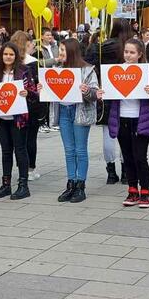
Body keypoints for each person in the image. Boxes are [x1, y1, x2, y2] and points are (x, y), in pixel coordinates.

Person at [105, 38, 149, 207]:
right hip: (121, 118)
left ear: (140, 54)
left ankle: (145, 190)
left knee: (140, 157)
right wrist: (102, 93)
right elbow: (109, 94)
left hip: (140, 120)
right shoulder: (115, 71)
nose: (128, 55)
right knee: (127, 157)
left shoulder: (147, 72)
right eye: (126, 52)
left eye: (132, 52)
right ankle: (132, 190)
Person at [0, 41, 38, 200]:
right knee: (6, 151)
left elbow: (35, 94)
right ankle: (6, 184)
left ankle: (23, 185)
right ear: (1, 56)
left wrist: (27, 93)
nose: (8, 57)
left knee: (20, 150)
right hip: (0, 118)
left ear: (16, 56)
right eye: (5, 54)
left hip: (19, 118)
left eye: (11, 54)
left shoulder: (24, 71)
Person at [52, 38, 99, 203]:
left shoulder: (87, 70)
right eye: (60, 50)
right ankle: (70, 183)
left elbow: (95, 94)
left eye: (63, 50)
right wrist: (43, 89)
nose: (60, 53)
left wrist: (86, 91)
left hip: (80, 112)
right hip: (64, 111)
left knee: (80, 150)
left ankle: (80, 185)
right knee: (69, 150)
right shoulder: (56, 69)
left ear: (72, 51)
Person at [86, 19, 129, 184]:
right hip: (127, 93)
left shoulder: (103, 46)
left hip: (106, 93)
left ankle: (111, 172)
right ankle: (126, 172)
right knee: (125, 134)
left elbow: (90, 63)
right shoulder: (130, 46)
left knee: (108, 133)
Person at [9, 30, 46, 180]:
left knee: (19, 139)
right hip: (31, 104)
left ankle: (21, 167)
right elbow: (38, 85)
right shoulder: (33, 63)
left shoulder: (9, 62)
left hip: (14, 104)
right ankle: (30, 168)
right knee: (30, 137)